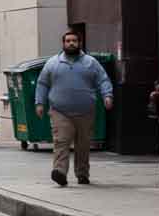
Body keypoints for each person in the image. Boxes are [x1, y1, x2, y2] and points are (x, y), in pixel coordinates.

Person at [34, 31, 113, 186]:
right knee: (61, 141)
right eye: (68, 41)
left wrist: (107, 95)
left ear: (79, 43)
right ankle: (60, 172)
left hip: (86, 111)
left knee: (83, 145)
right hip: (60, 111)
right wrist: (39, 103)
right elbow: (42, 83)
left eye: (74, 41)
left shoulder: (91, 62)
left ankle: (82, 173)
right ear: (63, 44)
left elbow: (103, 80)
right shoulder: (53, 63)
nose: (71, 43)